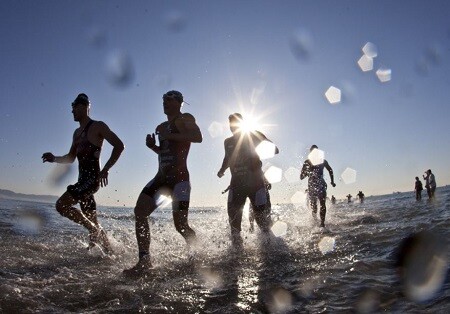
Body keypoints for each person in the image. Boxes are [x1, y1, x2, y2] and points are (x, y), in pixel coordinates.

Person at [124, 90, 202, 275]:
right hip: (161, 178)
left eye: (169, 100)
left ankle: (196, 255)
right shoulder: (161, 126)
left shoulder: (185, 118)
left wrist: (169, 135)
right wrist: (154, 147)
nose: (164, 103)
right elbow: (166, 152)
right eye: (163, 100)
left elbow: (197, 137)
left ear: (179, 102)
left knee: (180, 225)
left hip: (180, 180)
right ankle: (144, 261)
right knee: (140, 212)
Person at [42, 93, 124, 253]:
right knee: (94, 222)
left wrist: (106, 169)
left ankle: (93, 230)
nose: (72, 111)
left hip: (91, 181)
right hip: (83, 182)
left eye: (74, 107)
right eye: (72, 108)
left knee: (61, 205)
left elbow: (119, 145)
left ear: (85, 107)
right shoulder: (76, 133)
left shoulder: (98, 126)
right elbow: (71, 158)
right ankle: (111, 255)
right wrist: (54, 158)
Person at [217, 113, 279, 246]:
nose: (232, 126)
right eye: (230, 124)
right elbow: (227, 158)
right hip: (236, 184)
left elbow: (275, 150)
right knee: (234, 222)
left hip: (256, 184)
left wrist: (261, 140)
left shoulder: (253, 136)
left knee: (262, 222)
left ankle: (270, 250)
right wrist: (222, 170)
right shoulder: (227, 142)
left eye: (235, 123)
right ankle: (236, 254)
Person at [300, 145, 336, 228]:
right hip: (311, 186)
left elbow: (330, 170)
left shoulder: (323, 161)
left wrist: (332, 181)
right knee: (314, 207)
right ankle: (315, 221)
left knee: (322, 204)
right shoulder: (307, 162)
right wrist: (309, 170)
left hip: (321, 185)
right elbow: (301, 177)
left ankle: (322, 224)